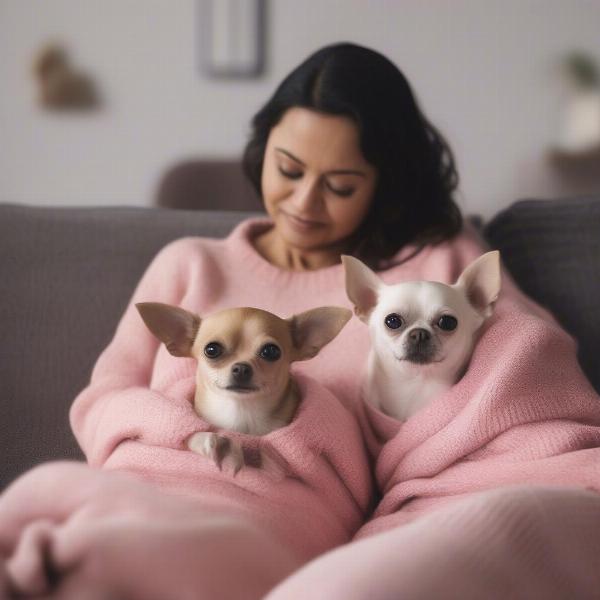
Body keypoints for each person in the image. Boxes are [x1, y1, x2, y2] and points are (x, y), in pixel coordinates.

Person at [3, 43, 600, 599]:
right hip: (159, 485)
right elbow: (102, 400)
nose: (305, 203)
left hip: (349, 522)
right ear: (262, 153)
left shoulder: (438, 262)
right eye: (288, 170)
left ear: (383, 183)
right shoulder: (189, 265)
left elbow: (522, 364)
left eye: (340, 185)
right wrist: (186, 434)